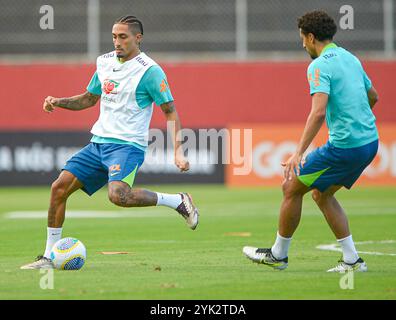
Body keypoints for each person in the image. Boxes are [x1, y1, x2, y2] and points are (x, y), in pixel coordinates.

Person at [21, 15, 199, 269]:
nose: (117, 41)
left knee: (118, 195)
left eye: (123, 36)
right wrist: (58, 101)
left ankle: (178, 200)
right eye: (114, 36)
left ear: (138, 38)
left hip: (127, 146)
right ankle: (49, 257)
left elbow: (170, 110)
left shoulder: (149, 71)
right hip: (98, 144)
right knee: (58, 188)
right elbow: (89, 99)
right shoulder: (104, 63)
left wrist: (178, 152)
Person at [243, 10, 379, 272]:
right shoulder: (351, 58)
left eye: (302, 39)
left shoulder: (318, 66)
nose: (302, 44)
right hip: (369, 143)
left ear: (311, 36)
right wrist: (357, 121)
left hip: (345, 148)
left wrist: (298, 153)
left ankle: (278, 255)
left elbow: (318, 111)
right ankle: (352, 260)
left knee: (291, 187)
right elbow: (372, 96)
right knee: (321, 193)